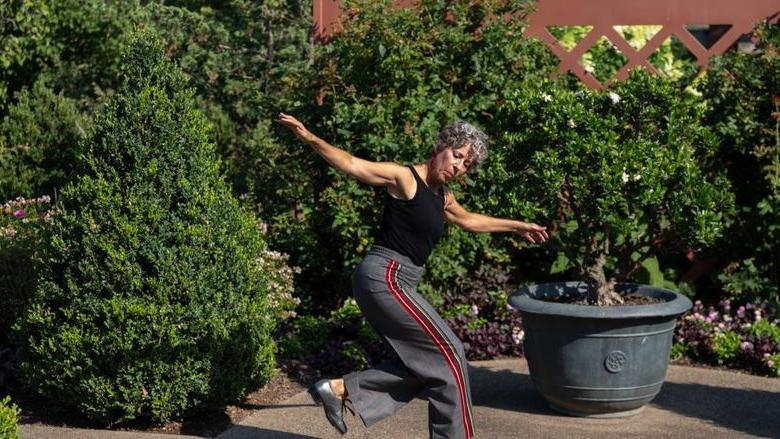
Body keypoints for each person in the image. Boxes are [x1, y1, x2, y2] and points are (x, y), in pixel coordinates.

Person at [276, 113, 548, 439]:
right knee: (452, 355)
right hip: (384, 275)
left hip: (399, 280)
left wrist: (518, 227)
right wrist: (309, 137)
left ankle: (338, 390)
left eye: (466, 165)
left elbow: (471, 221)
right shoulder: (405, 179)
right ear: (441, 147)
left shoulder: (442, 196)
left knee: (427, 365)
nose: (458, 166)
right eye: (457, 155)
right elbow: (352, 164)